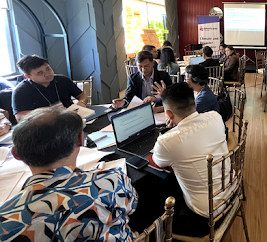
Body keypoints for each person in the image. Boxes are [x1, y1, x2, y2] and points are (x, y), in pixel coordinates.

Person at [0, 107, 137, 242]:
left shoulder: (5, 222)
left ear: (15, 154)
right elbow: (132, 205)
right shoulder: (113, 179)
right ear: (80, 139)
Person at [152, 83, 234, 237]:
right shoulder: (215, 116)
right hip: (229, 192)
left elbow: (159, 162)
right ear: (195, 103)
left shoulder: (166, 142)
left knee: (154, 199)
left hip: (204, 219)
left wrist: (172, 130)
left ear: (168, 114)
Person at [12, 55, 88, 122]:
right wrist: (46, 112)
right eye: (40, 73)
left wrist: (81, 102)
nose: (47, 74)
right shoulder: (21, 91)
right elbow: (20, 118)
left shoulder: (63, 80)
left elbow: (82, 96)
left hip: (71, 119)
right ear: (28, 77)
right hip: (43, 126)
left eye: (47, 68)